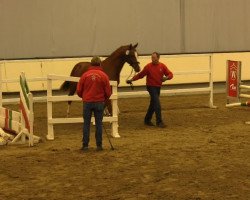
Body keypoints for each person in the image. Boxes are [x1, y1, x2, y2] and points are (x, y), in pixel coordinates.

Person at [126, 52, 173, 128]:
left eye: (154, 58)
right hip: (150, 87)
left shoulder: (162, 66)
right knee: (157, 103)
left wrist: (166, 78)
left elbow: (170, 74)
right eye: (152, 57)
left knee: (153, 104)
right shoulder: (148, 67)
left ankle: (147, 120)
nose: (152, 59)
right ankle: (159, 122)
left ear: (158, 58)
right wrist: (132, 79)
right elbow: (140, 75)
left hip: (158, 87)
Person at [77, 56, 111, 151]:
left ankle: (85, 145)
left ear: (91, 64)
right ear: (100, 64)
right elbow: (108, 92)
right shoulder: (104, 76)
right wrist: (104, 98)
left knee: (86, 124)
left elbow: (79, 90)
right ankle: (99, 145)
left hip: (87, 102)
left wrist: (84, 96)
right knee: (99, 124)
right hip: (99, 102)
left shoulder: (85, 75)